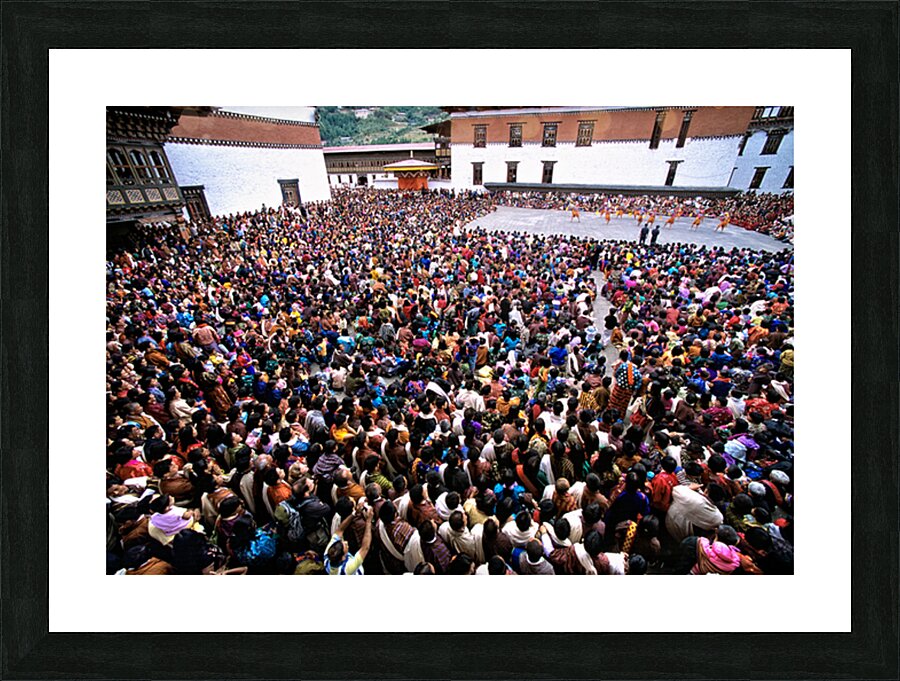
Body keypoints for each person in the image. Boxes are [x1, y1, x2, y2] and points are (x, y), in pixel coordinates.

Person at [325, 503, 373, 575]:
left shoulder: (327, 556)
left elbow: (340, 530)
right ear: (343, 557)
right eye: (345, 546)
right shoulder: (347, 569)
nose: (346, 542)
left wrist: (354, 514)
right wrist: (369, 521)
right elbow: (365, 548)